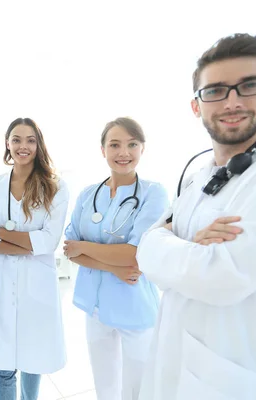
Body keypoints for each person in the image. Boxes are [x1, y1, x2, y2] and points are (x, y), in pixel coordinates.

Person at [136, 33, 256, 400]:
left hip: (243, 379)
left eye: (249, 85)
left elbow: (220, 277)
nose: (232, 101)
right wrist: (178, 246)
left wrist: (157, 244)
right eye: (216, 90)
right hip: (177, 367)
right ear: (196, 105)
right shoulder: (200, 175)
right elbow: (158, 244)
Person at [63, 117, 169, 400]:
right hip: (94, 305)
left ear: (142, 148)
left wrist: (85, 247)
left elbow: (135, 255)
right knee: (105, 386)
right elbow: (70, 250)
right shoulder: (88, 194)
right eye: (115, 145)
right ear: (103, 150)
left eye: (132, 144)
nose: (124, 152)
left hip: (133, 305)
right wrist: (113, 265)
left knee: (138, 389)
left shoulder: (153, 193)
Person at [0, 117, 69, 400]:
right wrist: (28, 243)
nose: (23, 146)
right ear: (7, 143)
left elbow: (49, 241)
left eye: (30, 140)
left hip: (37, 285)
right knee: (3, 368)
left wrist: (2, 234)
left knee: (34, 360)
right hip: (2, 284)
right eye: (16, 139)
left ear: (38, 144)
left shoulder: (55, 186)